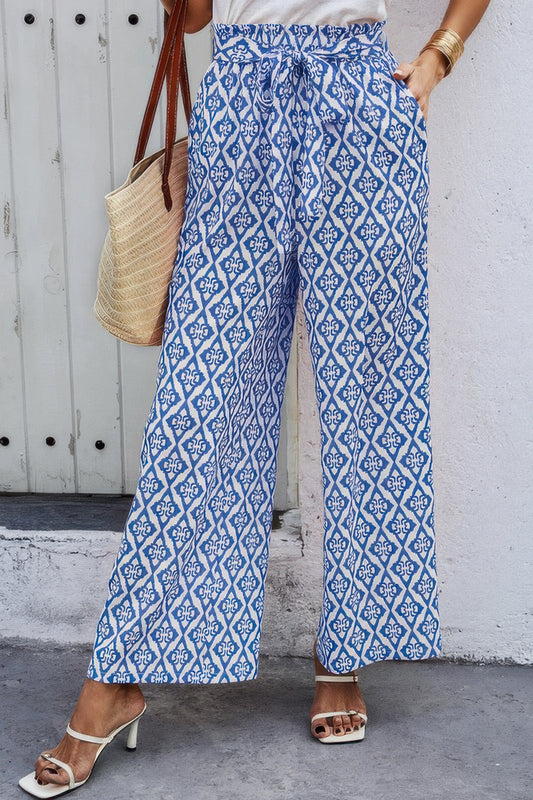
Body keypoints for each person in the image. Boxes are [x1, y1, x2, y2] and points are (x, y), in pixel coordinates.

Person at [19, 0, 490, 795]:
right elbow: (194, 20)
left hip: (360, 102)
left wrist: (440, 53)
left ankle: (343, 652)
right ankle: (116, 678)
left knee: (369, 397)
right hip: (241, 103)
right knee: (197, 404)